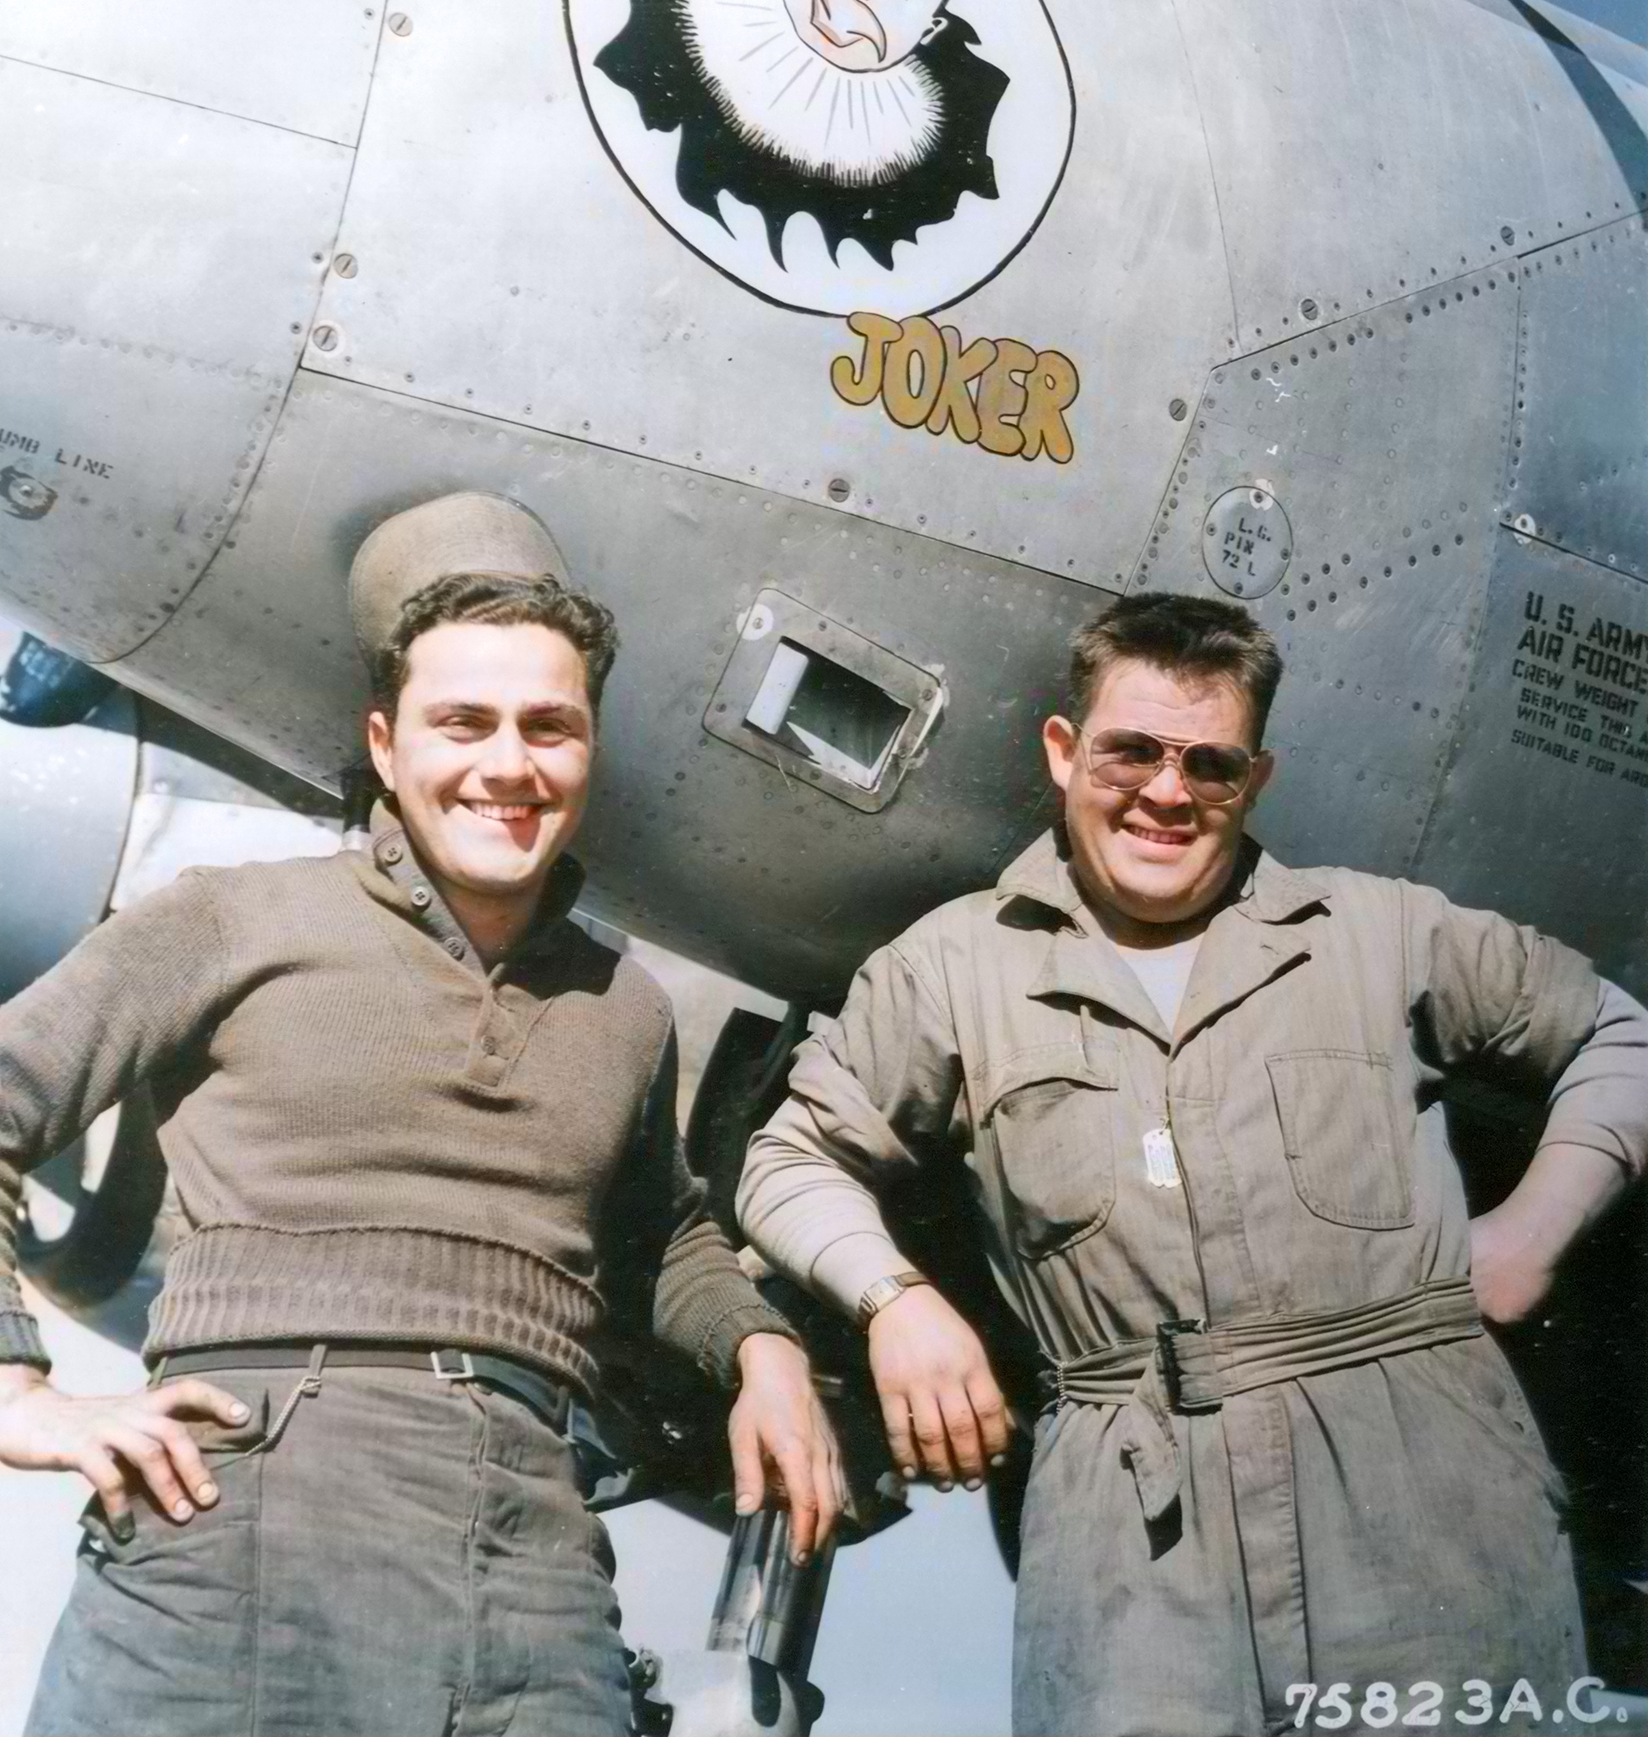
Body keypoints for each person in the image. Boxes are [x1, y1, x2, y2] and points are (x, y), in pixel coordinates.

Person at [0, 492, 839, 1737]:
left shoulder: (625, 1004)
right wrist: (21, 1391)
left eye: (548, 727)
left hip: (533, 1552)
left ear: (589, 751)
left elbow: (658, 1234)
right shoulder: (228, 918)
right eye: (465, 722)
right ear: (387, 746)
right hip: (240, 1520)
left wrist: (761, 1348)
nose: (508, 764)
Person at [738, 590, 1648, 1737]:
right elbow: (791, 1156)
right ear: (1063, 752)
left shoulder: (1379, 932)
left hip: (1427, 1507)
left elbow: (1618, 1032)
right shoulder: (949, 970)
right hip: (1129, 1542)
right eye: (1130, 751)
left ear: (1252, 779)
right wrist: (894, 1300)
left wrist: (1529, 1233)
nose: (1167, 792)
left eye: (1208, 764)